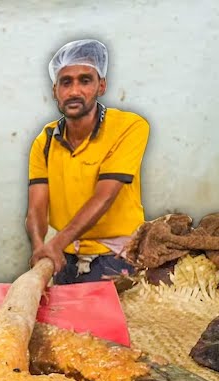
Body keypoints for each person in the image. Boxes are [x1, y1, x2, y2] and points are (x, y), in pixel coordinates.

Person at [27, 39, 150, 284]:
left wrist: (56, 243)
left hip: (115, 255)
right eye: (65, 82)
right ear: (55, 91)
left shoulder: (129, 127)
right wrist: (40, 247)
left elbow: (104, 197)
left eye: (85, 81)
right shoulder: (46, 140)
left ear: (101, 85)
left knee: (95, 319)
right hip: (66, 254)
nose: (74, 91)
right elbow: (36, 207)